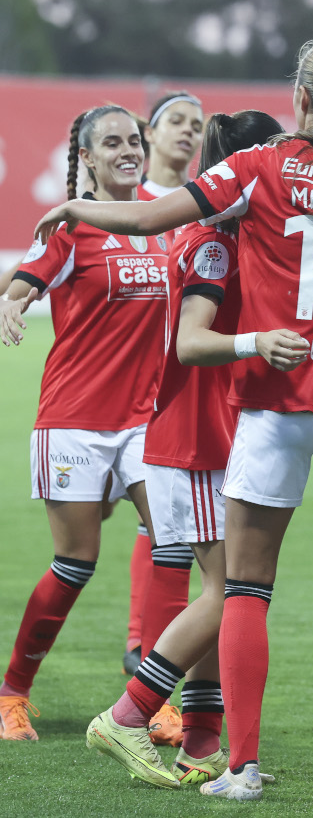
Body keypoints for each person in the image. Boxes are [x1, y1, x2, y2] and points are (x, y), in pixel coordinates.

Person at [33, 32, 313, 802]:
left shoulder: (257, 168)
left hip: (274, 401)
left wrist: (73, 205)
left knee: (245, 589)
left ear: (300, 99)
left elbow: (153, 213)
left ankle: (242, 766)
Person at [83, 109, 296, 791]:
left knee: (229, 590)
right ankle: (128, 713)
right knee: (231, 590)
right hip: (198, 438)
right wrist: (255, 343)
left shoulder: (228, 235)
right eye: (272, 157)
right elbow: (190, 343)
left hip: (208, 434)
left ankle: (202, 743)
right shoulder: (213, 242)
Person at [0, 106, 169, 741]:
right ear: (89, 159)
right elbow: (26, 278)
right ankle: (12, 692)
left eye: (135, 141)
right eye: (113, 144)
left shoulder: (163, 223)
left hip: (149, 421)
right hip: (75, 419)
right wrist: (11, 305)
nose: (129, 151)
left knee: (172, 547)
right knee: (77, 561)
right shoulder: (72, 228)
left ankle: (154, 698)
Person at [120, 91, 205, 686]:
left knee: (159, 522)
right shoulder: (134, 205)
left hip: (177, 388)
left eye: (198, 126)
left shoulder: (202, 206)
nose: (188, 133)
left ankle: (144, 647)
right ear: (149, 133)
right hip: (117, 392)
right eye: (177, 121)